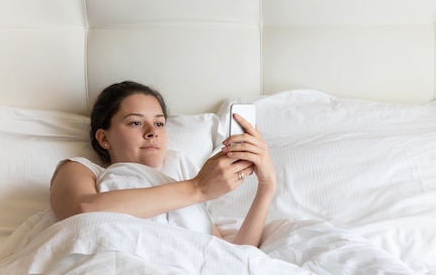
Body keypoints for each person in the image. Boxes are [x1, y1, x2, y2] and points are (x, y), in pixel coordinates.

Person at [50, 81, 276, 247]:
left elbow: (232, 257)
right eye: (136, 122)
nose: (152, 133)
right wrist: (198, 188)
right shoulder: (82, 169)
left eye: (159, 124)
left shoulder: (181, 181)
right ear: (104, 138)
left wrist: (267, 187)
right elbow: (82, 210)